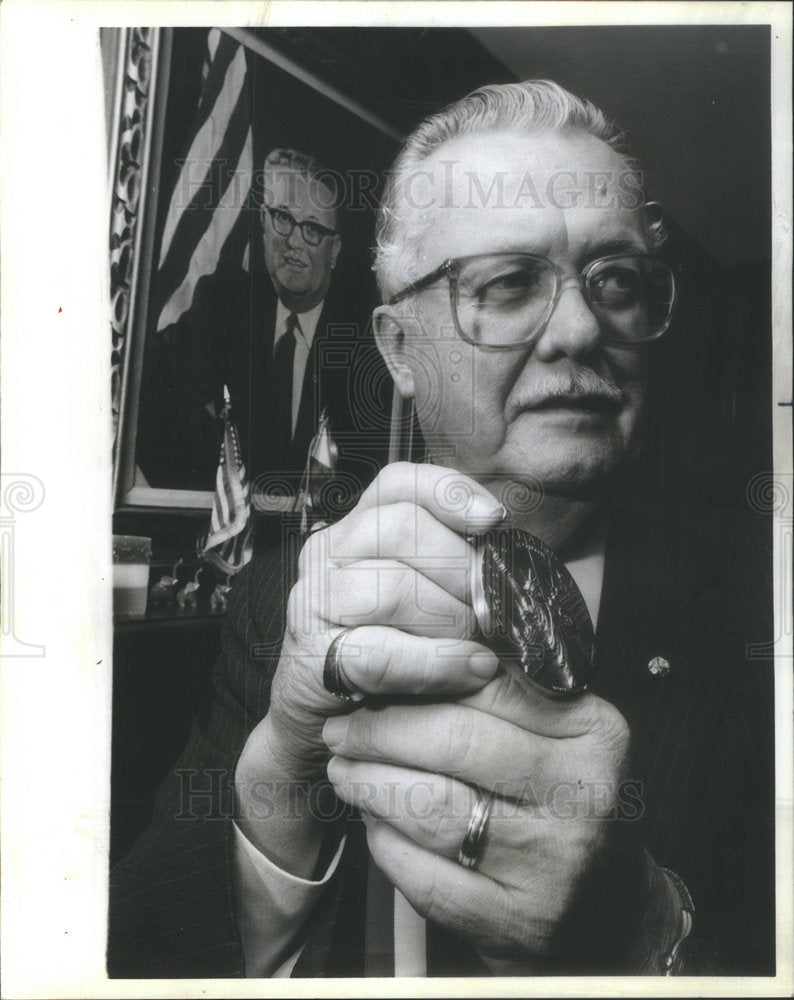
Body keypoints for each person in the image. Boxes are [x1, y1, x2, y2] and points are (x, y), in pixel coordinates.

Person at [109, 80, 774, 978]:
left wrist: (647, 933)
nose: (581, 328)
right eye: (508, 283)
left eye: (615, 278)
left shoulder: (763, 599)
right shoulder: (281, 601)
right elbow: (129, 961)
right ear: (398, 348)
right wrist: (275, 792)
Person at [136, 147, 383, 497]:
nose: (294, 241)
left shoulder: (366, 345)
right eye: (283, 218)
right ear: (265, 226)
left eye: (313, 229)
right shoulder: (221, 305)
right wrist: (222, 490)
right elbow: (142, 387)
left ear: (335, 250)